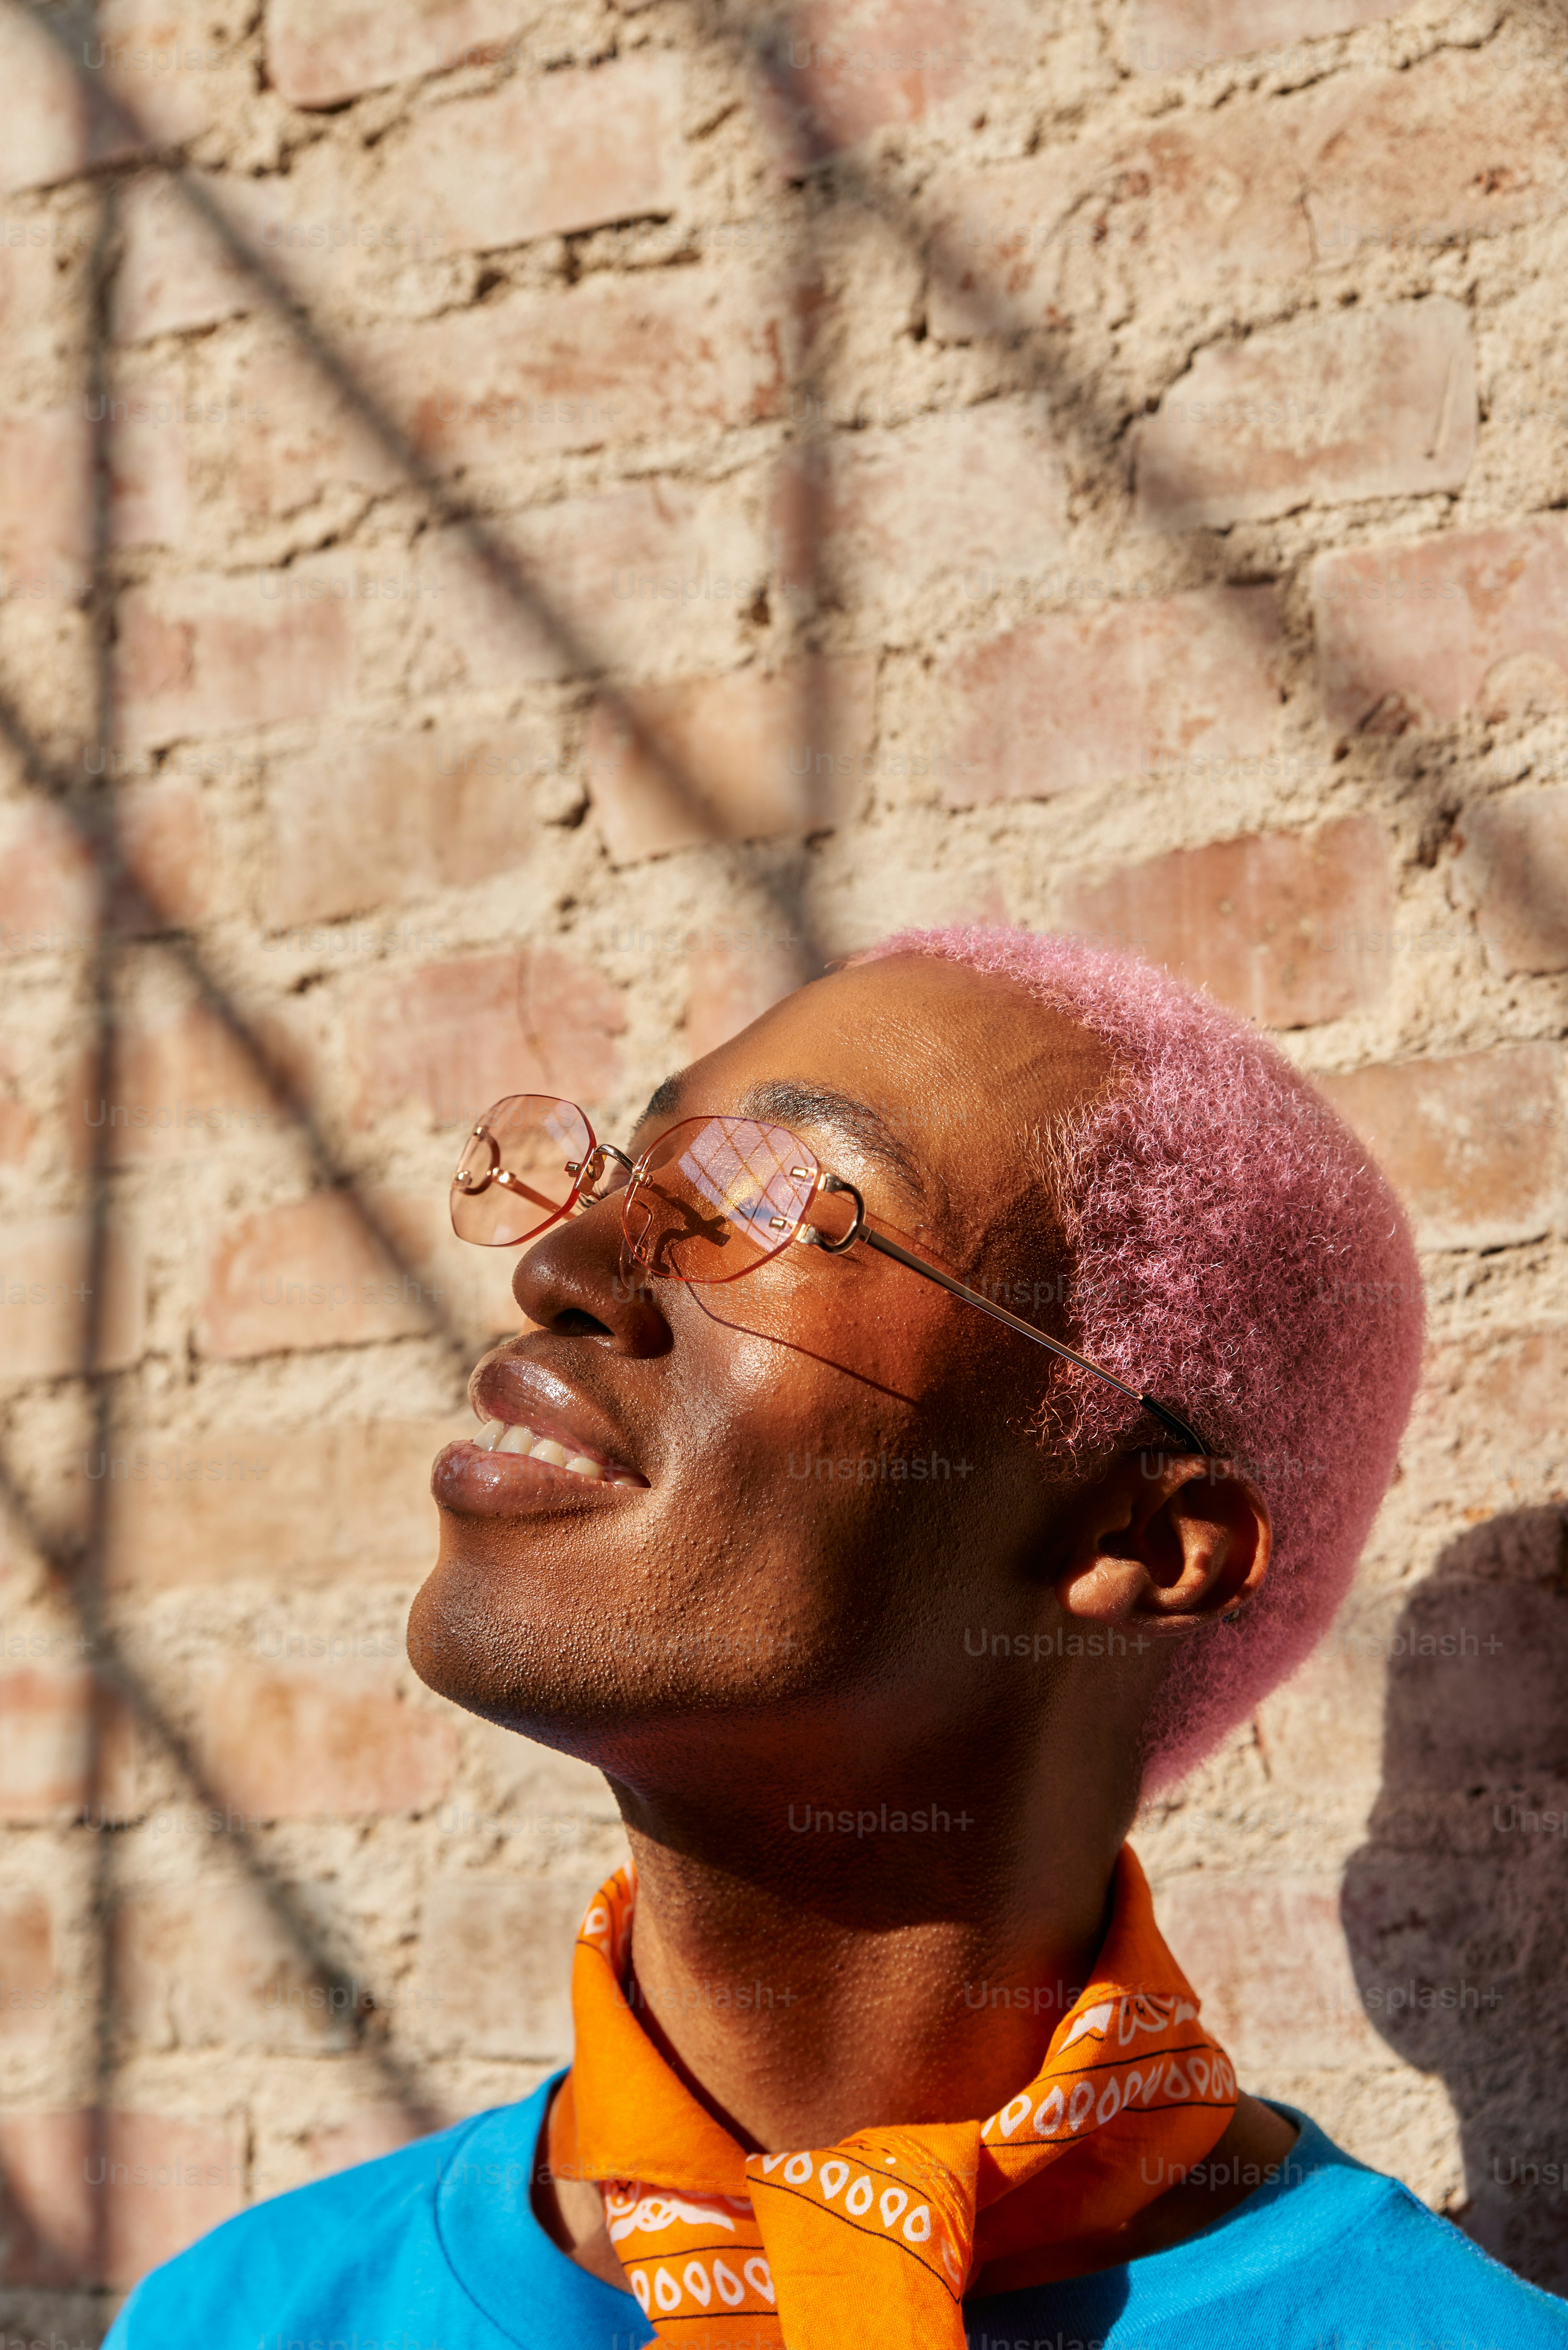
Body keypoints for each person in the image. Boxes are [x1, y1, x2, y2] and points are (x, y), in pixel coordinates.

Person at [104, 929, 1568, 2347]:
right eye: (634, 1170)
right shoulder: (240, 2315)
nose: (568, 1266)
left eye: (762, 1204)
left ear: (1136, 1539)